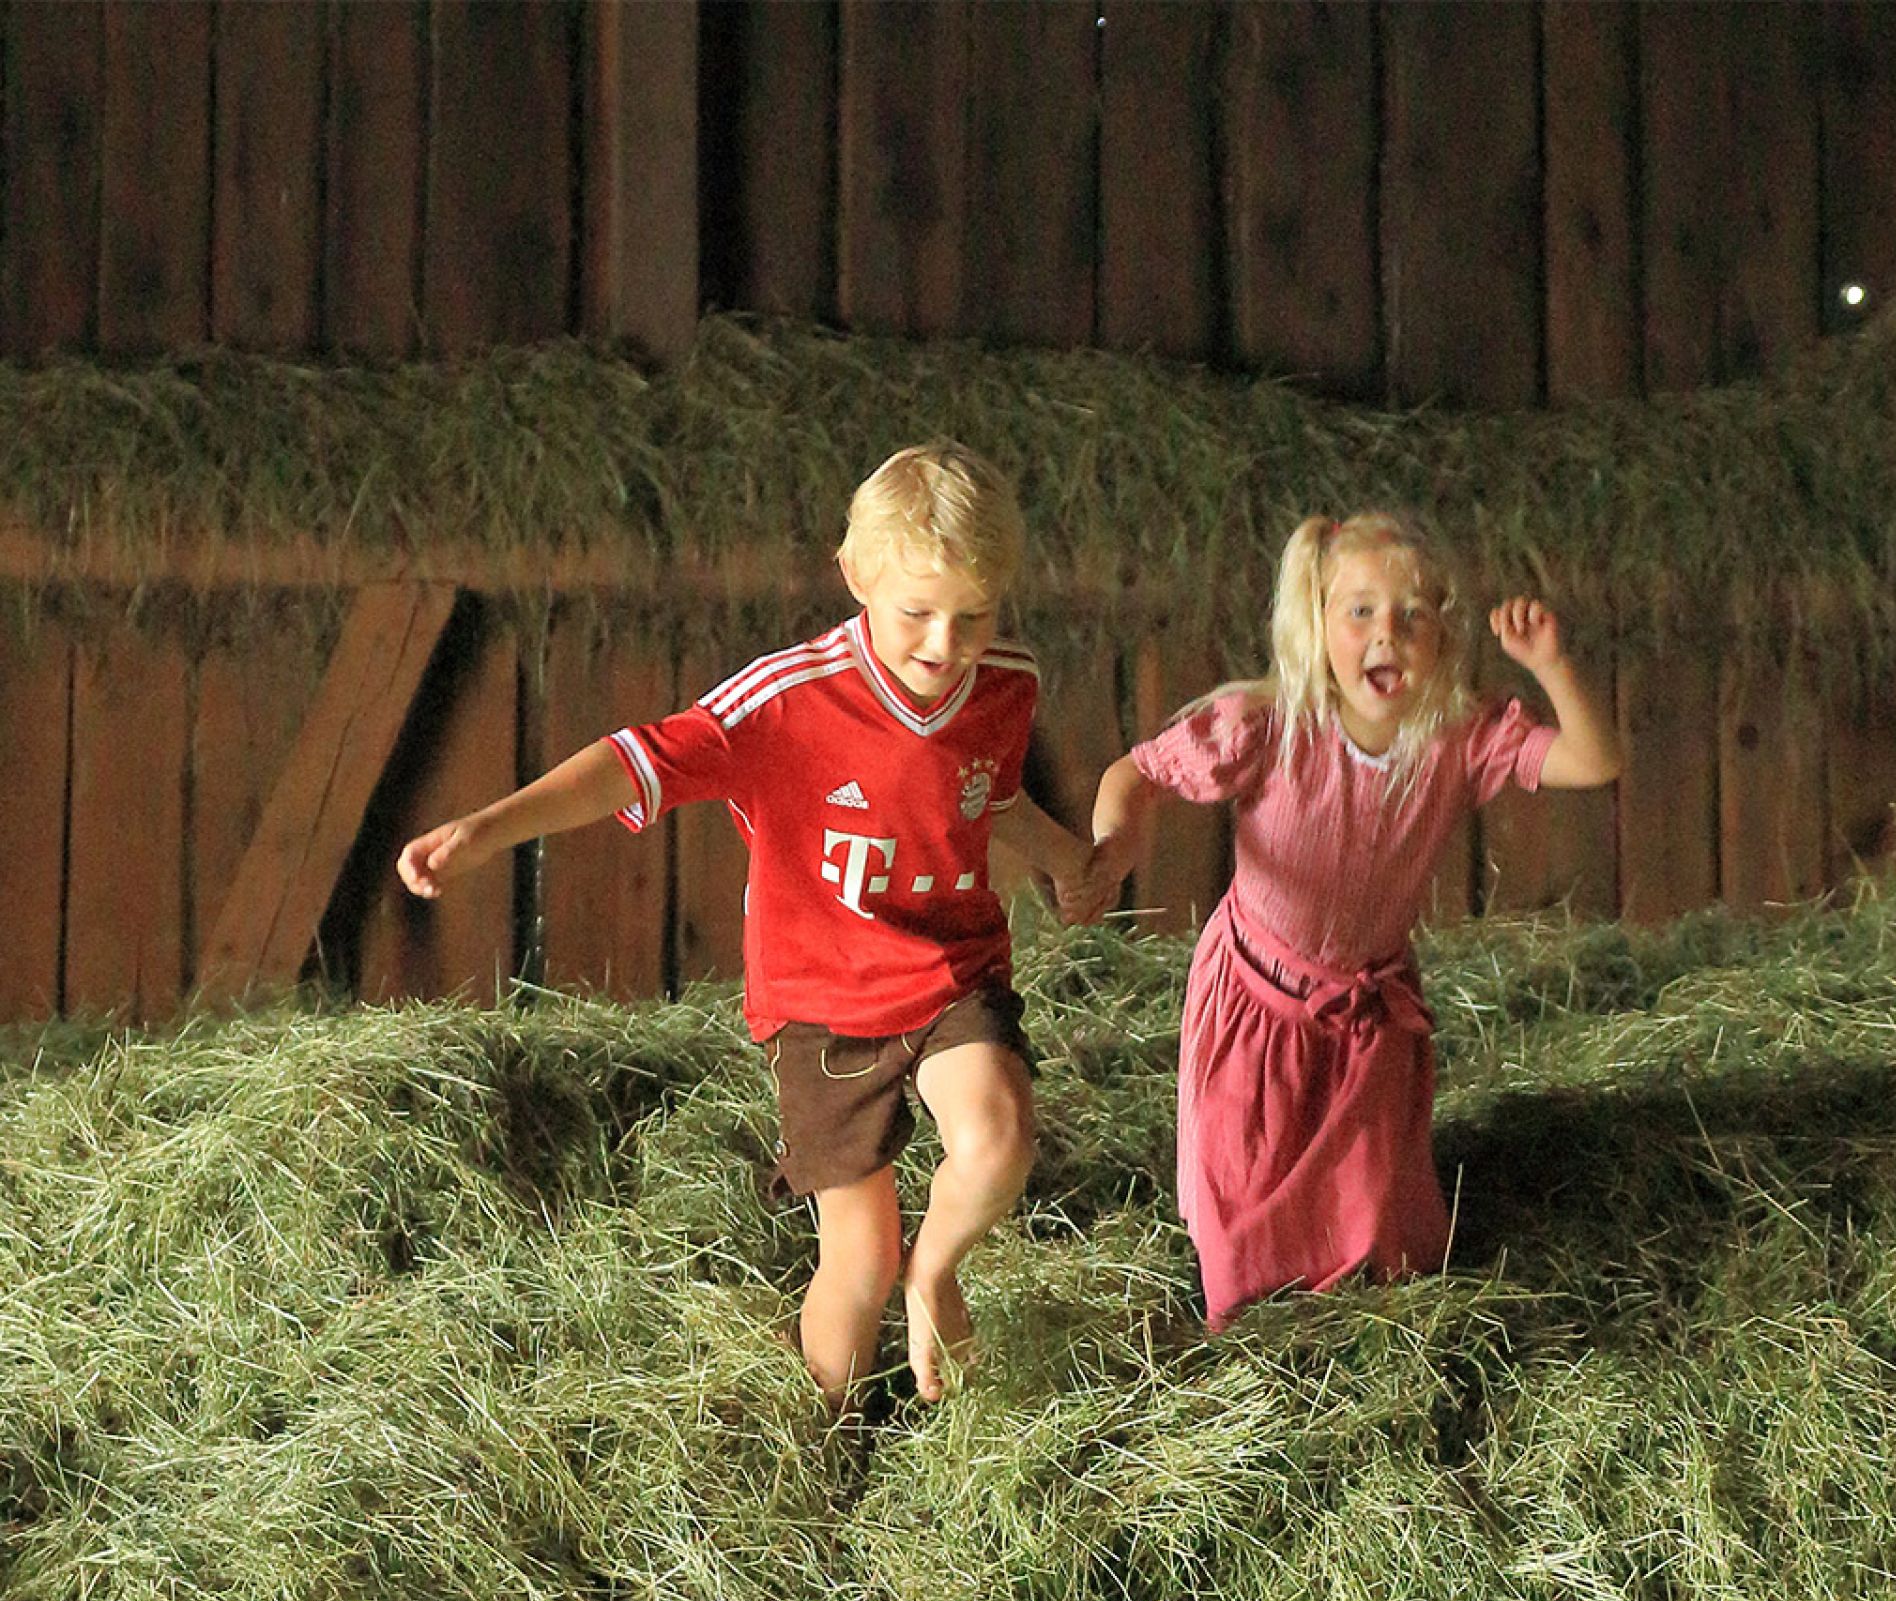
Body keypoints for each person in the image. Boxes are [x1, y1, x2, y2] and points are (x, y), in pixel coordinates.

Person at [398, 442, 1108, 1410]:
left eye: (973, 614)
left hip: (949, 973)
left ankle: (934, 1273)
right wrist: (486, 827)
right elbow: (632, 761)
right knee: (857, 1258)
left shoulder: (1003, 684)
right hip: (825, 1002)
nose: (945, 643)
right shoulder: (789, 702)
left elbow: (985, 794)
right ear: (856, 575)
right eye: (917, 612)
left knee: (998, 1135)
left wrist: (1066, 855)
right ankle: (824, 1441)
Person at [1084, 511, 1622, 1325]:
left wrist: (1552, 666)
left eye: (1413, 615)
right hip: (1255, 1001)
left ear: (1442, 634)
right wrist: (1111, 847)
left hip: (1366, 1011)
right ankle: (1242, 1332)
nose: (1387, 635)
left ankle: (1363, 1321)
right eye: (1361, 611)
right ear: (1318, 622)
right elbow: (1138, 771)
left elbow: (1594, 761)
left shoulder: (1460, 739)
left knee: (1375, 1224)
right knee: (1244, 1188)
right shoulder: (1270, 725)